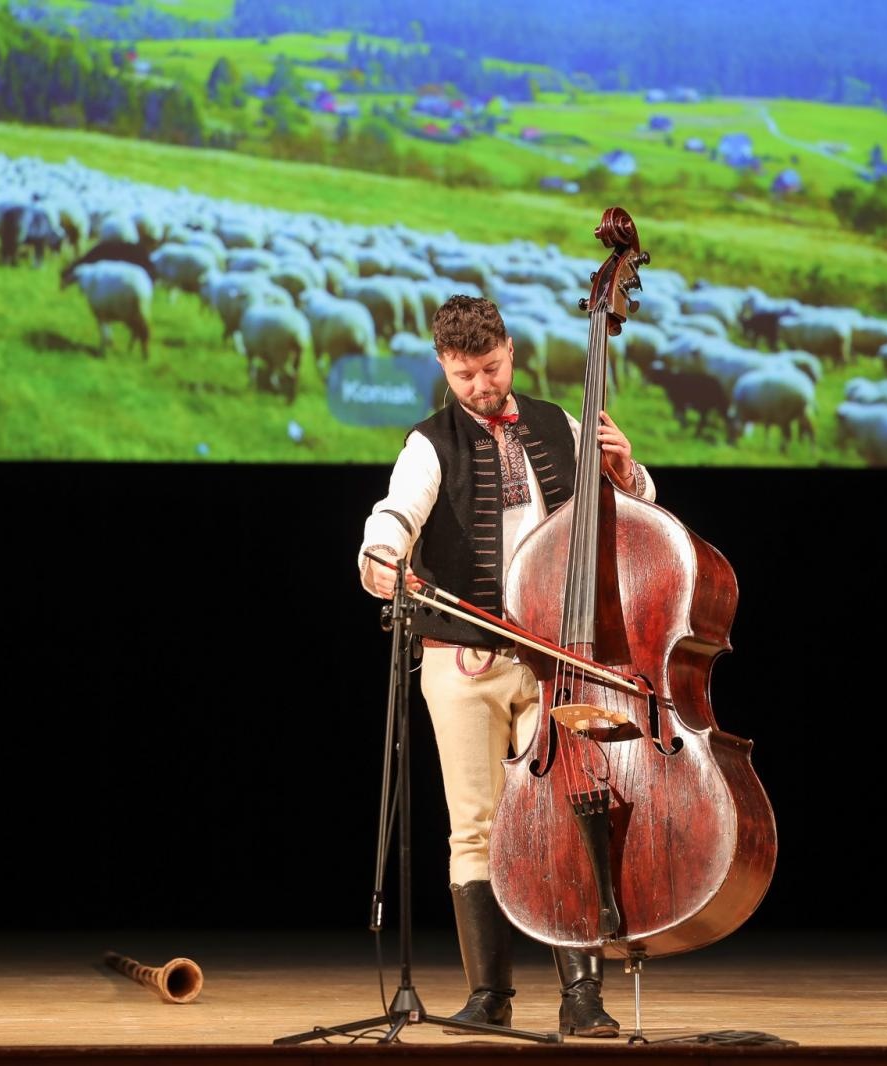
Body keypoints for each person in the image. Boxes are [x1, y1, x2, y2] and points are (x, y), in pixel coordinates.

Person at [356, 295, 657, 1037]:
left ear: (511, 352)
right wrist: (381, 558)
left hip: (556, 657)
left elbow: (633, 513)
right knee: (478, 825)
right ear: (442, 368)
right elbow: (395, 515)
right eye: (464, 376)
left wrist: (629, 473)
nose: (481, 387)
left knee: (570, 815)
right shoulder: (428, 443)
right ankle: (489, 994)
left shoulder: (559, 423)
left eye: (489, 369)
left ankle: (582, 997)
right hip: (462, 661)